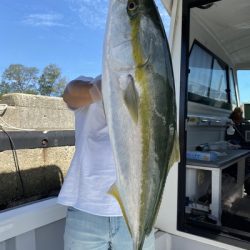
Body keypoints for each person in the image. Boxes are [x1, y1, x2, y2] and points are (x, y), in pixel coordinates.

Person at [58, 75, 155, 250]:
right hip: (86, 211)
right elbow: (69, 94)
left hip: (136, 214)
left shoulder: (149, 95)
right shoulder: (89, 83)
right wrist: (115, 82)